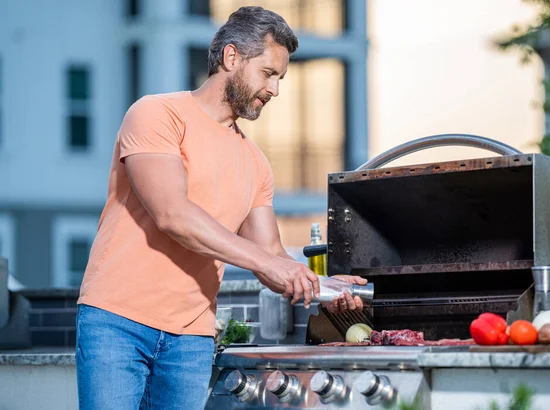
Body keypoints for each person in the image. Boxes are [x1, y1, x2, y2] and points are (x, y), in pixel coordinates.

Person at [75, 6, 366, 410]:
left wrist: (325, 288)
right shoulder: (157, 114)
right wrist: (268, 264)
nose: (275, 90)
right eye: (268, 74)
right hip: (118, 322)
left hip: (192, 337)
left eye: (281, 78)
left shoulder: (255, 162)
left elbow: (271, 255)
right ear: (231, 58)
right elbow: (173, 215)